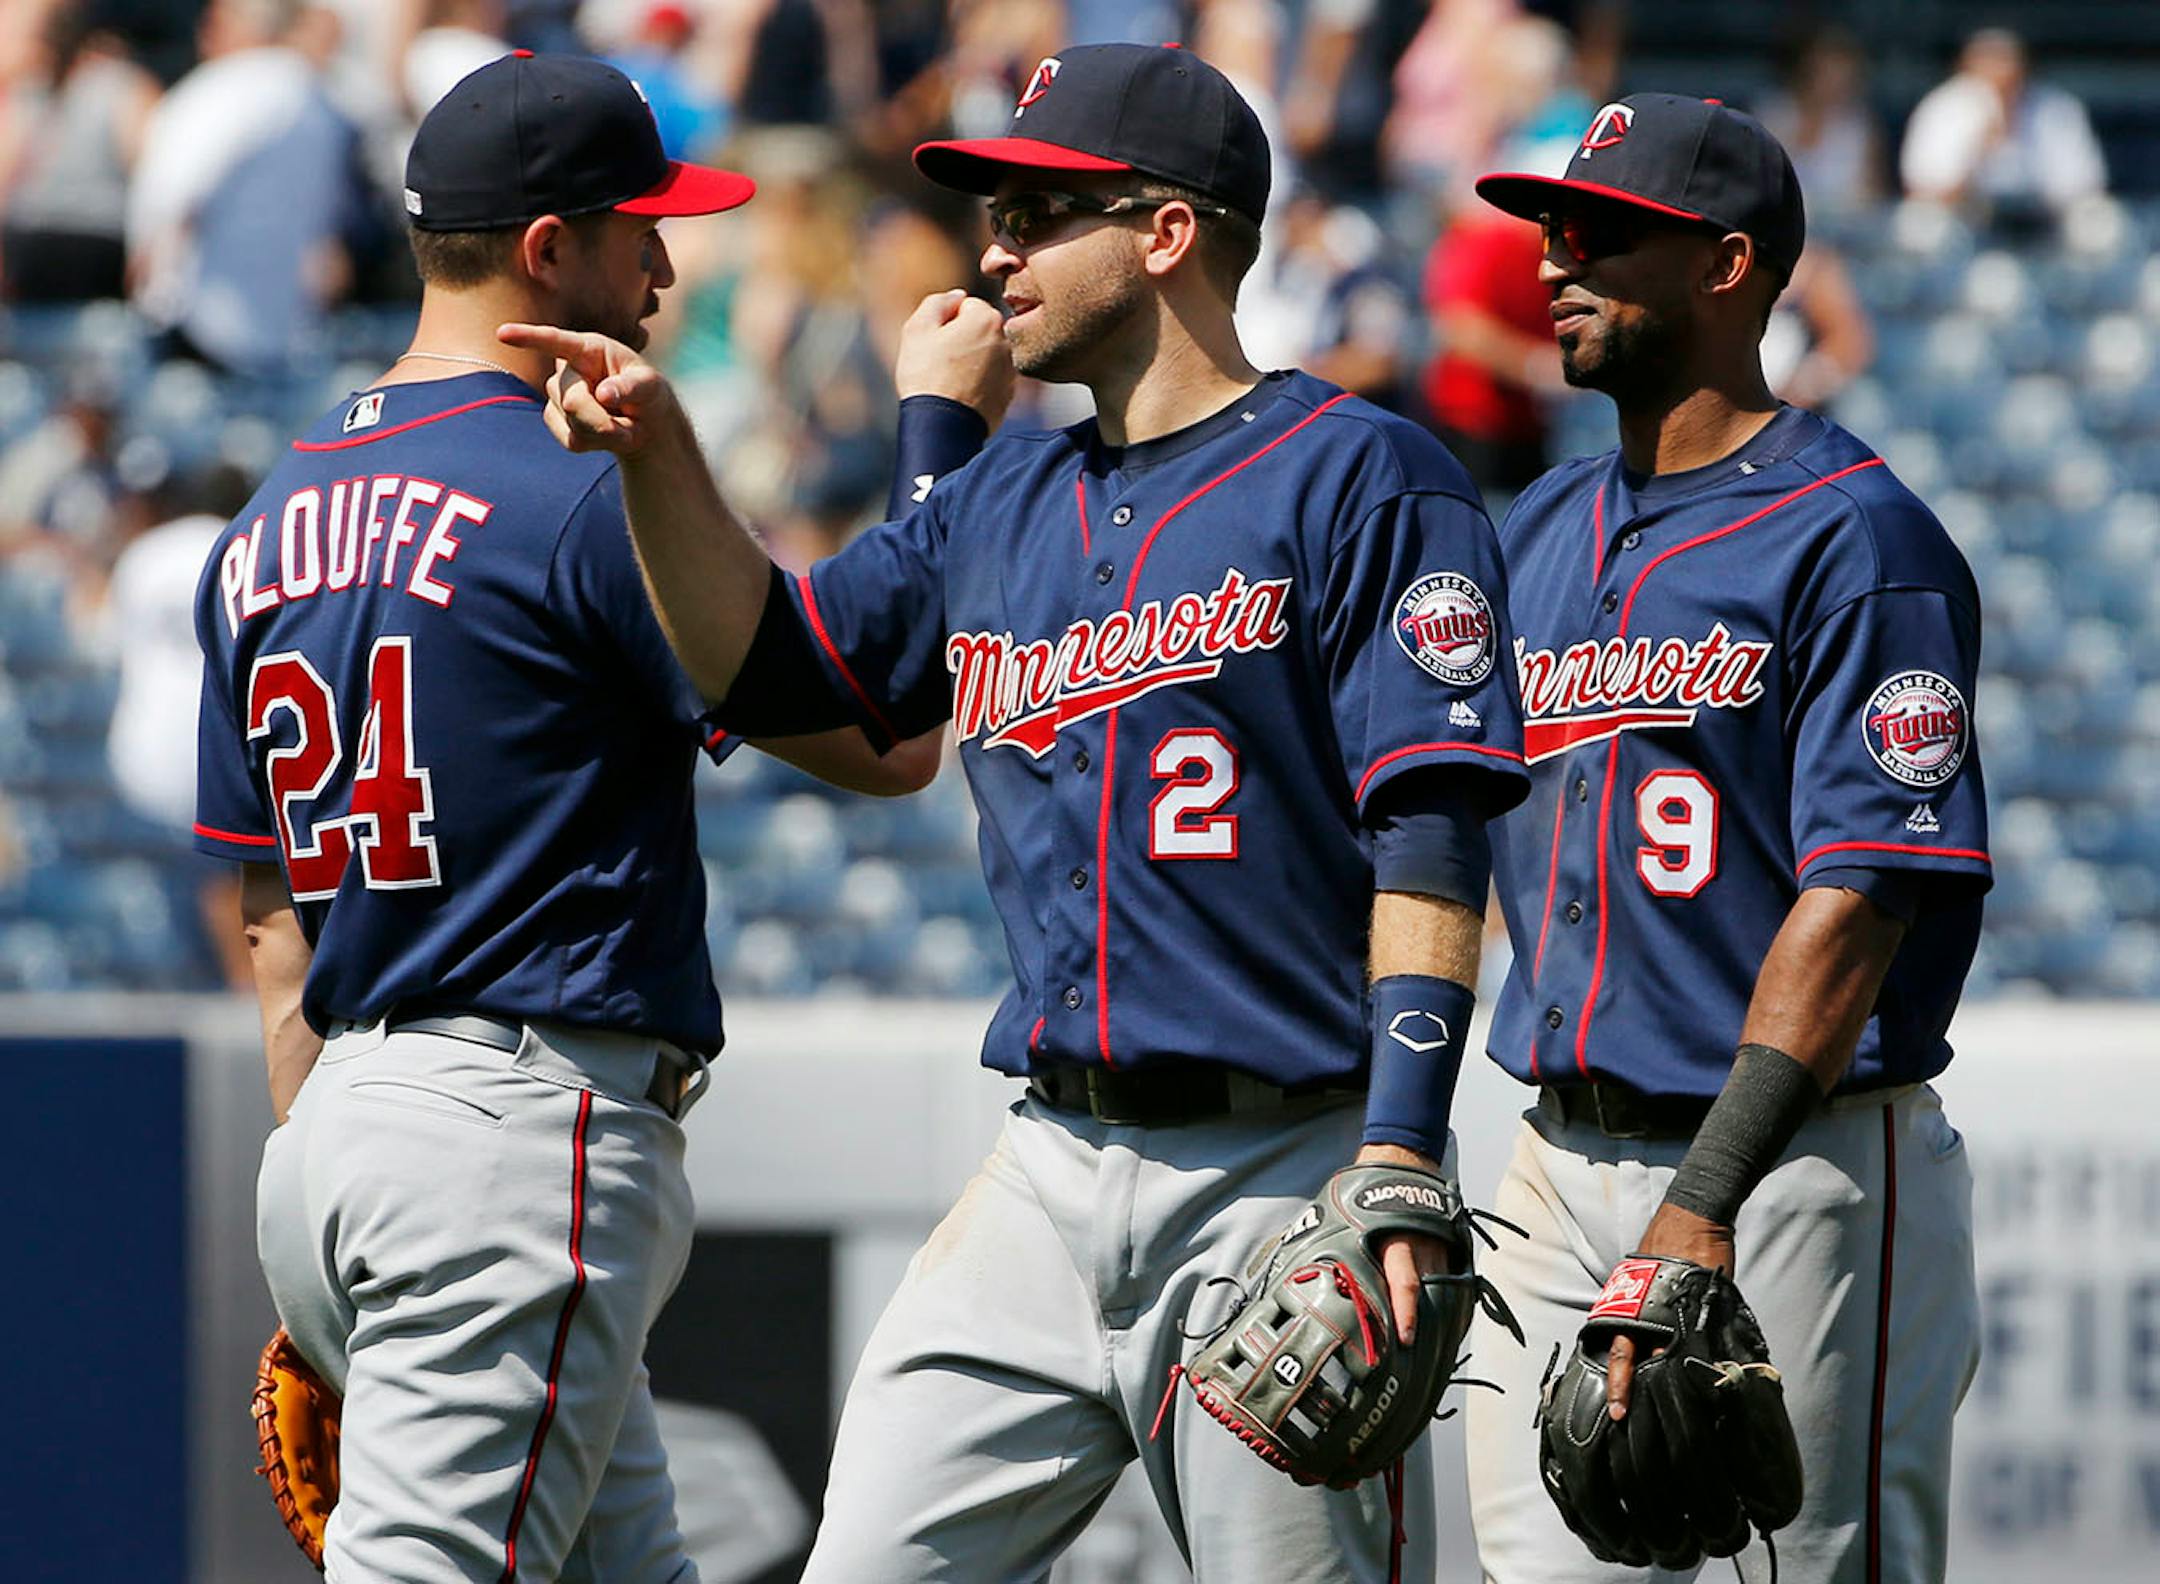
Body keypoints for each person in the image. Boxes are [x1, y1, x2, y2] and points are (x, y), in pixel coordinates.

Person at [505, 40, 1530, 1584]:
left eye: (1044, 212)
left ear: (1168, 233)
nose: (996, 250)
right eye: (999, 211)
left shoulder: (1364, 477)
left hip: (1282, 1166)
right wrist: (662, 461)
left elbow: (1436, 833)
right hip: (1047, 1162)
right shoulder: (1001, 496)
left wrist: (1397, 1153)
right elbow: (786, 673)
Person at [190, 52, 948, 1581]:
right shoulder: (580, 489)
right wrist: (940, 452)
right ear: (547, 250)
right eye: (640, 228)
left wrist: (349, 1186)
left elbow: (272, 924)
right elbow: (883, 739)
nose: (669, 263)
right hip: (511, 1140)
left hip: (340, 1139)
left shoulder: (264, 520)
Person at [1465, 94, 1988, 1581]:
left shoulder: (1858, 537)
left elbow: (1866, 893)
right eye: (1551, 230)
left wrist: (1707, 1194)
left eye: (1602, 234)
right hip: (1557, 1161)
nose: (1555, 261)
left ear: (1728, 266)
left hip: (1792, 1167)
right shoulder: (1540, 529)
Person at [1899, 27, 2105, 223]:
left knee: (2096, 221)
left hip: (2044, 220)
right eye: (1989, 61)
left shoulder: (2057, 108)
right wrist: (1980, 150)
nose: (2001, 73)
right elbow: (1924, 191)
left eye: (2007, 61)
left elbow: (2083, 186)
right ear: (1966, 66)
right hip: (1963, 219)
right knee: (1922, 223)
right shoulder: (1941, 107)